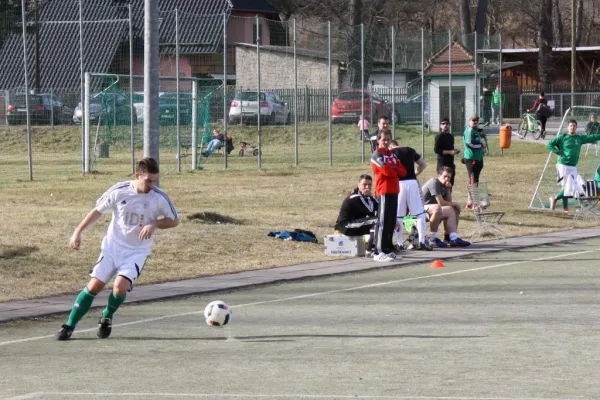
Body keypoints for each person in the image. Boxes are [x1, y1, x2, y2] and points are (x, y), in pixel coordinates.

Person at [55, 157, 180, 340]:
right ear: (138, 175)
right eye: (148, 181)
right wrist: (77, 232)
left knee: (120, 287)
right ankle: (69, 325)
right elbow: (98, 210)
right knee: (94, 285)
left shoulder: (159, 197)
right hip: (112, 247)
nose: (151, 185)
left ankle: (106, 316)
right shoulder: (119, 190)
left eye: (155, 181)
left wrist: (154, 224)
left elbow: (174, 220)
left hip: (137, 252)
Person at [546, 120, 600, 213]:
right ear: (568, 127)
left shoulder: (579, 138)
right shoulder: (563, 137)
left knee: (572, 188)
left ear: (576, 128)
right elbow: (549, 144)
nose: (572, 127)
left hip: (573, 166)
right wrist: (558, 152)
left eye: (574, 126)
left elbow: (591, 137)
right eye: (571, 126)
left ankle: (556, 200)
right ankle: (564, 207)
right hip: (563, 165)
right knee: (565, 187)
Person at [370, 128, 407, 262]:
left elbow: (403, 171)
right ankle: (377, 251)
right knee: (383, 221)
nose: (385, 142)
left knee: (391, 221)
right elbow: (386, 171)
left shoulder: (392, 154)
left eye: (388, 140)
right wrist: (394, 169)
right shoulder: (376, 155)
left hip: (394, 190)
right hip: (384, 191)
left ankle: (387, 248)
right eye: (383, 140)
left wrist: (394, 168)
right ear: (378, 140)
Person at [389, 139, 430, 251]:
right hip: (412, 182)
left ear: (390, 146)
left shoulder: (389, 153)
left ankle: (400, 243)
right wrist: (414, 174)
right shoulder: (409, 150)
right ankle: (421, 241)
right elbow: (422, 164)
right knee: (420, 213)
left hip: (398, 184)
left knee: (398, 215)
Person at [421, 167, 471, 248]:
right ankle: (433, 239)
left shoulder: (444, 185)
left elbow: (448, 201)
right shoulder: (434, 182)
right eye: (445, 176)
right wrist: (455, 204)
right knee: (450, 208)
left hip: (434, 208)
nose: (447, 179)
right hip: (421, 209)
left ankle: (450, 238)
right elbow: (441, 202)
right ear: (439, 175)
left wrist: (448, 189)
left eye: (449, 177)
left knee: (453, 210)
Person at [334, 174, 378, 253]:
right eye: (364, 184)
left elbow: (378, 208)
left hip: (357, 223)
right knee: (377, 221)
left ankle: (384, 246)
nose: (367, 187)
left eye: (369, 185)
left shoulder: (366, 196)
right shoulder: (355, 197)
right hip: (346, 225)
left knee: (383, 220)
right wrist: (369, 197)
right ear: (359, 185)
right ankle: (370, 249)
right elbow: (370, 211)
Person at [463, 114, 485, 208]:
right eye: (473, 120)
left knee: (475, 180)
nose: (475, 122)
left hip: (478, 158)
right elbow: (468, 143)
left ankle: (469, 201)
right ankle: (475, 203)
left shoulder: (476, 130)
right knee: (473, 180)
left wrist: (483, 147)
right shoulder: (469, 130)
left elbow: (480, 142)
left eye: (476, 120)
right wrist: (479, 146)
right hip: (471, 158)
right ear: (469, 121)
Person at [434, 117, 460, 186]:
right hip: (442, 163)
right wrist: (450, 152)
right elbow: (436, 150)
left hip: (450, 163)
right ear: (440, 126)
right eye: (443, 124)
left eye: (447, 123)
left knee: (450, 184)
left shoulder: (451, 136)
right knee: (442, 184)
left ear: (449, 125)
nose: (445, 125)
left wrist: (455, 151)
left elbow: (450, 148)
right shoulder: (439, 136)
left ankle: (449, 196)